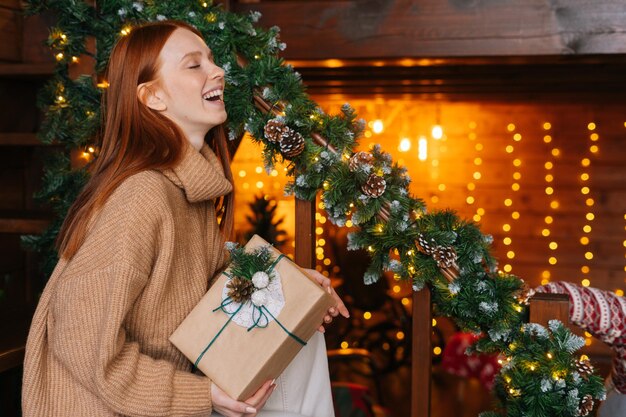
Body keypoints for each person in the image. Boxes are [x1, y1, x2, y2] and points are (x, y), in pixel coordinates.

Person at [22, 20, 349, 417]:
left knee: (303, 340)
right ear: (153, 96)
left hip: (162, 392)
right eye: (194, 65)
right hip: (104, 406)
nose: (218, 72)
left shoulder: (187, 191)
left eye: (211, 60)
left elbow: (208, 289)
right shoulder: (141, 196)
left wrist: (292, 291)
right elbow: (80, 339)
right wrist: (204, 394)